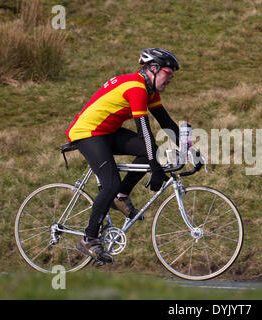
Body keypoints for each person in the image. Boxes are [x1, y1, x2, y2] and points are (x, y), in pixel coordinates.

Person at [66, 48, 181, 263]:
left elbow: (165, 122)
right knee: (110, 184)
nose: (170, 78)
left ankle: (120, 197)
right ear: (153, 69)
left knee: (150, 152)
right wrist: (155, 169)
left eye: (172, 75)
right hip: (87, 133)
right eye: (168, 73)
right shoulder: (136, 88)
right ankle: (89, 238)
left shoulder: (150, 90)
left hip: (107, 132)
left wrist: (190, 148)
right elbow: (144, 131)